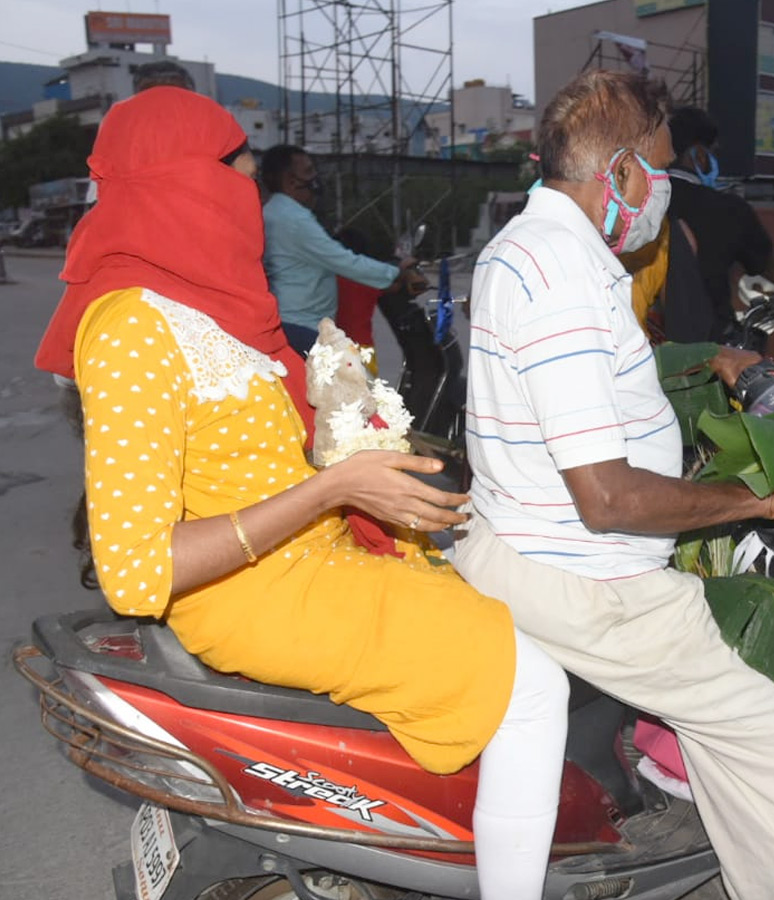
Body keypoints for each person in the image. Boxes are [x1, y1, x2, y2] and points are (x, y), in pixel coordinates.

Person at [33, 87, 567, 900]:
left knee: (506, 590)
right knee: (534, 685)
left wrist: (352, 440)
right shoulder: (132, 325)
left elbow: (247, 457)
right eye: (235, 173)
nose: (248, 194)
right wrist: (335, 490)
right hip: (253, 593)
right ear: (178, 182)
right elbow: (135, 572)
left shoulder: (204, 306)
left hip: (311, 561)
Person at [453, 70, 774, 900]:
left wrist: (706, 359)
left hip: (520, 545)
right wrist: (764, 500)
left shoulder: (526, 248)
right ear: (622, 171)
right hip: (588, 579)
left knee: (716, 715)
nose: (668, 193)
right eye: (663, 173)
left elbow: (585, 389)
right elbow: (610, 499)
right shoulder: (565, 278)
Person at [666, 106, 774, 341]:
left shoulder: (641, 201)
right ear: (700, 156)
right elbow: (773, 263)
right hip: (708, 348)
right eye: (712, 154)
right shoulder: (728, 209)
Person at [260, 144, 405, 355]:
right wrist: (397, 270)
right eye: (308, 171)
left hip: (286, 321)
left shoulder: (272, 211)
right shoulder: (295, 219)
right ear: (291, 181)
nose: (315, 178)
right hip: (302, 325)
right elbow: (343, 261)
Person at [333, 227, 429, 377]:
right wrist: (408, 267)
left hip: (332, 347)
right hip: (361, 346)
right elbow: (402, 285)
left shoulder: (328, 279)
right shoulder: (370, 278)